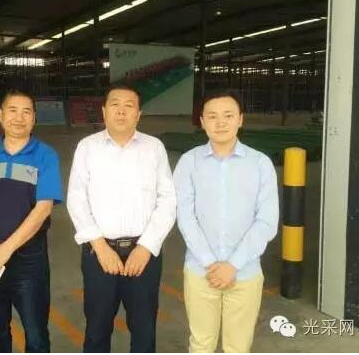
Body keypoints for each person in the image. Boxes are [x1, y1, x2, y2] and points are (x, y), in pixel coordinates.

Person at [67, 84, 176, 353]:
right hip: (99, 255)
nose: (121, 111)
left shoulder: (154, 148)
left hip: (143, 256)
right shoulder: (87, 147)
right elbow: (77, 199)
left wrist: (146, 247)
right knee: (97, 329)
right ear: (104, 111)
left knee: (144, 330)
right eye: (115, 104)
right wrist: (100, 247)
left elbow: (168, 199)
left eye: (129, 106)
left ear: (138, 114)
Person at [173, 90, 279, 353]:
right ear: (202, 122)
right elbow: (185, 216)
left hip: (245, 273)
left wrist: (233, 265)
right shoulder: (189, 162)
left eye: (228, 115)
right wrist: (211, 263)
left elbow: (266, 221)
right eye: (212, 116)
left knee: (238, 347)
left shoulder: (260, 164)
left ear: (240, 119)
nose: (220, 122)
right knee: (201, 344)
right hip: (201, 272)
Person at [0, 89, 63, 353]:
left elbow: (43, 209)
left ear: (34, 119)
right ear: (0, 115)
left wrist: (5, 250)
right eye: (13, 111)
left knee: (35, 332)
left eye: (26, 112)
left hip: (29, 259)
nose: (19, 117)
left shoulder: (45, 155)